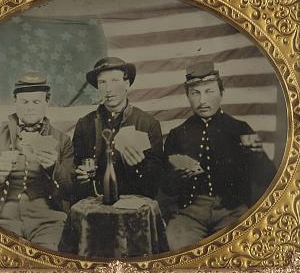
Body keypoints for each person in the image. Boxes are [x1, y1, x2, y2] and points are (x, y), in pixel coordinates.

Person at [162, 62, 277, 251]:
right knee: (179, 249)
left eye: (209, 91)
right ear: (188, 96)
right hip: (190, 213)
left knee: (238, 251)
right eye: (195, 93)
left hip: (231, 211)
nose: (202, 101)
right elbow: (166, 186)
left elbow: (266, 174)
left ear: (221, 92)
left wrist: (256, 158)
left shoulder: (241, 128)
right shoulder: (177, 134)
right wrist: (176, 176)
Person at [0, 72, 73, 251]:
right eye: (24, 102)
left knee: (48, 262)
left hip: (47, 219)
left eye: (36, 102)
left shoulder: (62, 140)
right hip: (3, 218)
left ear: (47, 103)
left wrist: (54, 168)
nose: (30, 108)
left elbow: (72, 190)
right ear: (15, 102)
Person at [71, 57, 164, 201]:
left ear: (127, 84)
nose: (108, 89)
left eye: (115, 80)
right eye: (102, 82)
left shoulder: (148, 124)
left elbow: (156, 182)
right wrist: (80, 175)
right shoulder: (84, 124)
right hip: (95, 201)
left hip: (134, 202)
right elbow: (74, 171)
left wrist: (140, 166)